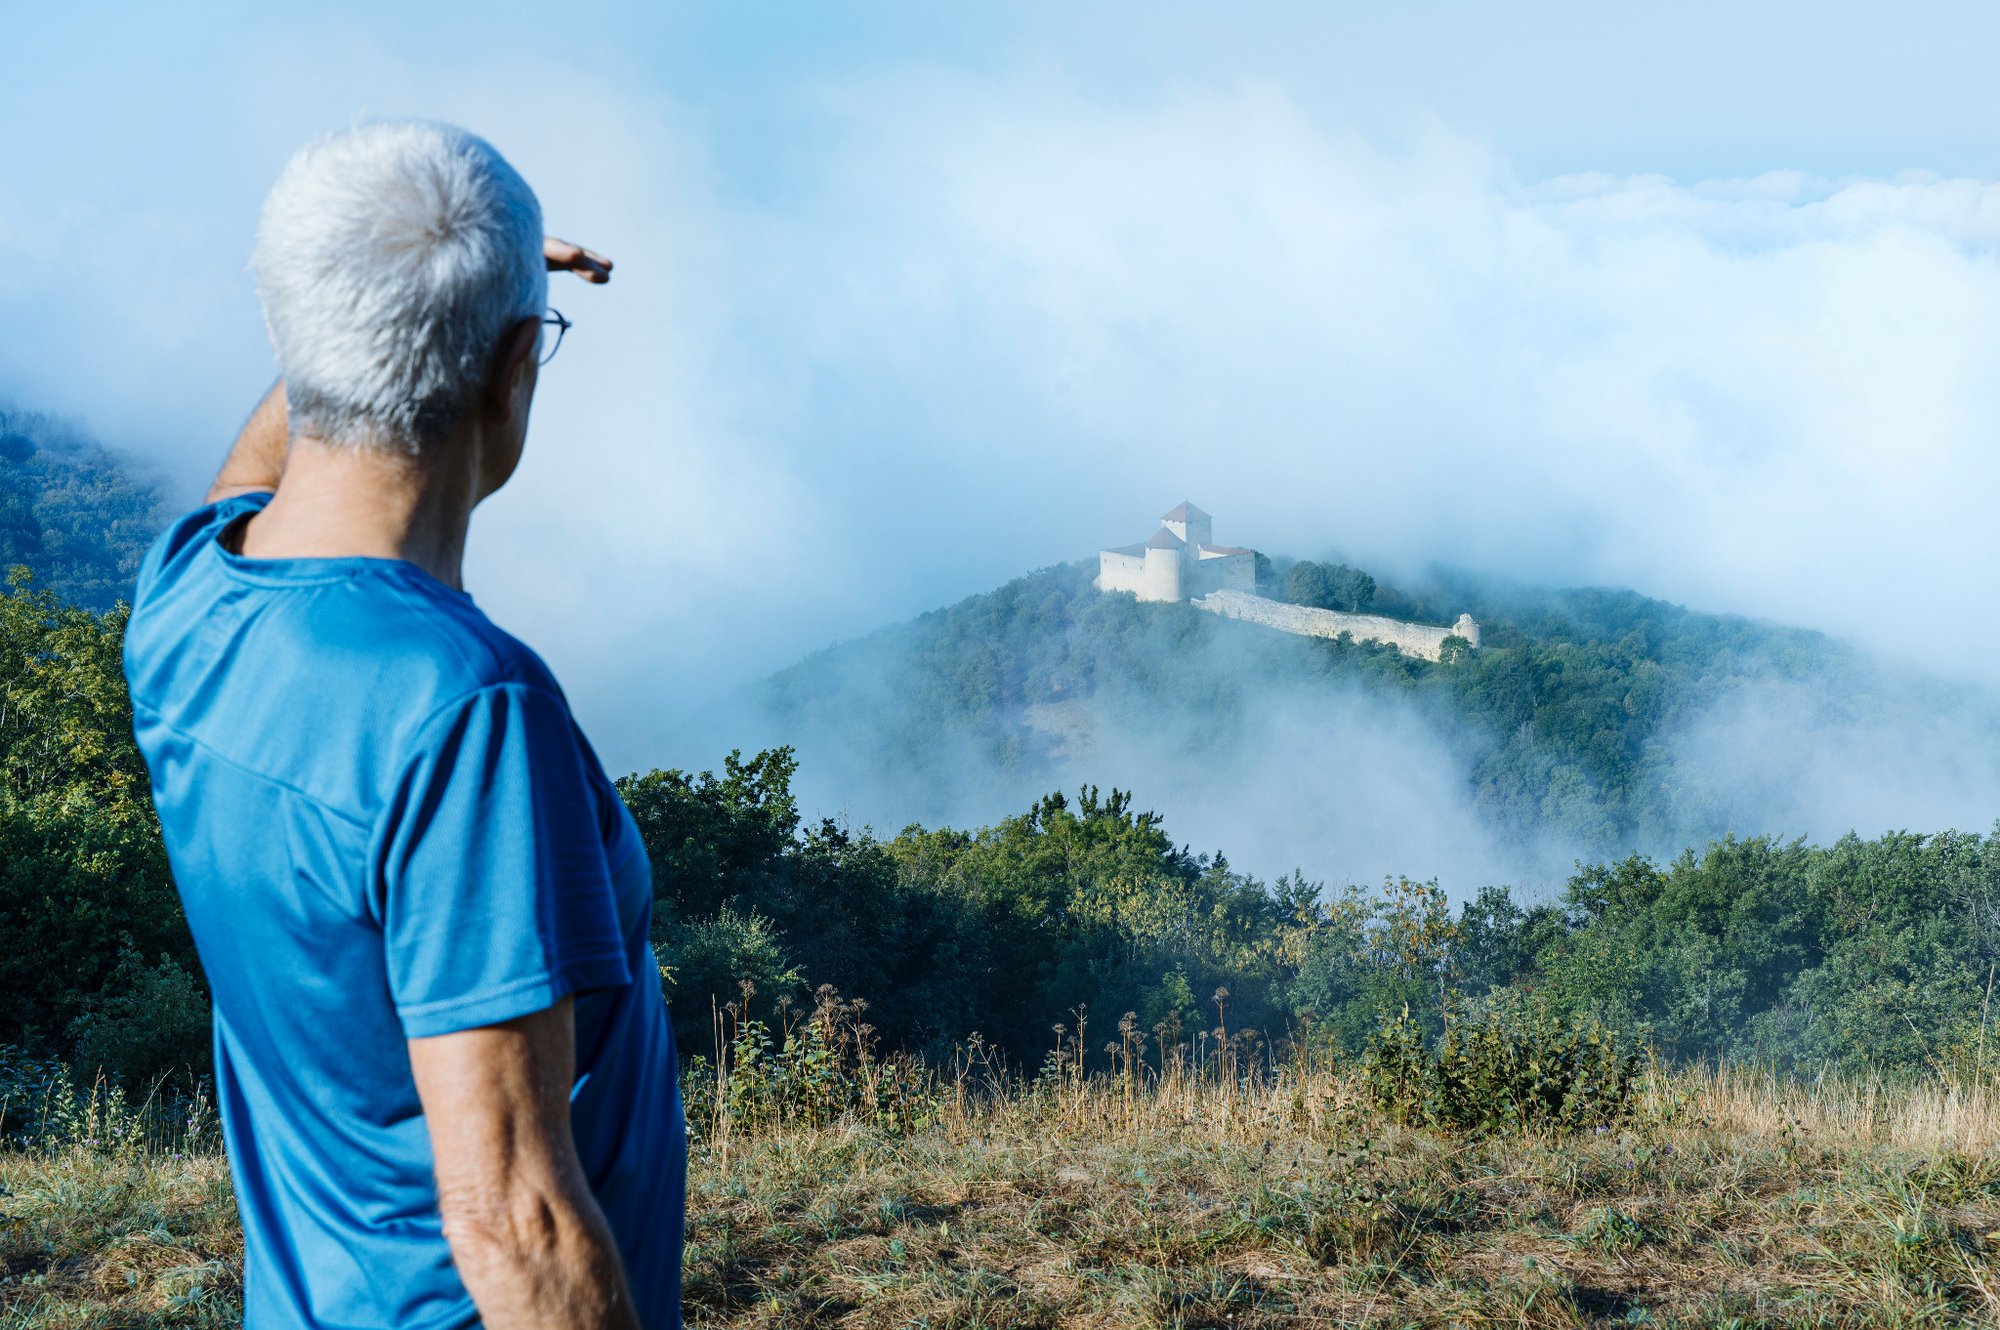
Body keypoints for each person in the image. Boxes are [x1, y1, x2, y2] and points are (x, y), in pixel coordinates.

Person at [122, 121, 684, 1330]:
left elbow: (250, 474)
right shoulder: (468, 713)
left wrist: (396, 296)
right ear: (513, 369)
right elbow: (515, 1221)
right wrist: (474, 300)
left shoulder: (187, 602)